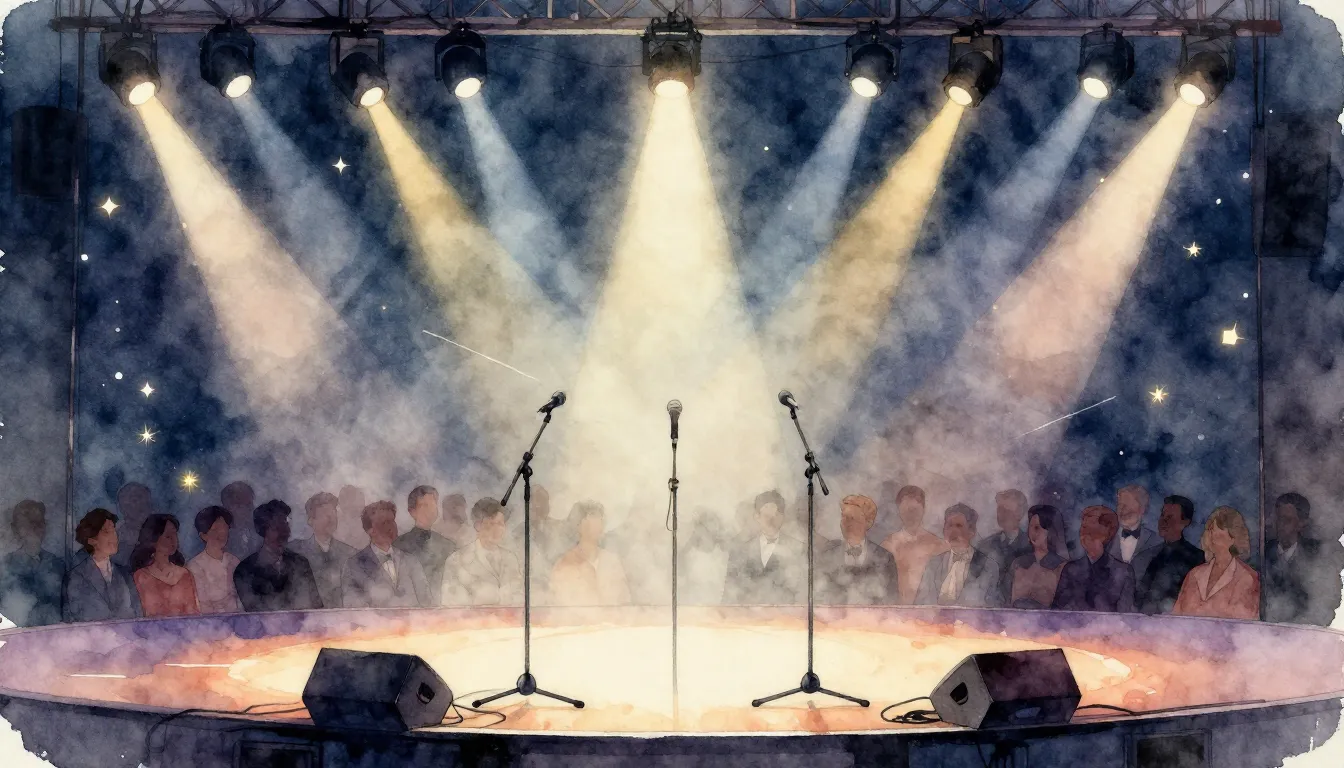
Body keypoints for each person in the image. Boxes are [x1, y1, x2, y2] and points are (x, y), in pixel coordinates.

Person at [1263, 492, 1342, 625]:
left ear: (1302, 523)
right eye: (1277, 518)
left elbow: (1330, 602)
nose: (1279, 525)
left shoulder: (1318, 555)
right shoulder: (1263, 551)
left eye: (1286, 520)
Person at [233, 500, 323, 612]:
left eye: (285, 524)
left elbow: (316, 607)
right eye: (276, 527)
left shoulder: (301, 563)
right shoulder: (244, 570)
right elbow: (253, 613)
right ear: (263, 530)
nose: (284, 532)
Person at [1173, 506, 1260, 620]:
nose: (1212, 537)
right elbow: (1175, 618)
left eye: (1219, 533)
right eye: (1210, 531)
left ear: (1233, 538)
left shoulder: (1247, 577)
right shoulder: (1194, 574)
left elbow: (1243, 624)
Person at [343, 500, 431, 608]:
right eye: (384, 523)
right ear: (370, 530)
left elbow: (427, 601)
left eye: (392, 521)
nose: (391, 527)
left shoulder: (411, 560)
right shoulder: (354, 565)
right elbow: (352, 607)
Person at [723, 490, 804, 605]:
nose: (771, 520)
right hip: (746, 614)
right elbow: (729, 592)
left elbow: (802, 593)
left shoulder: (797, 548)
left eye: (776, 515)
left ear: (783, 517)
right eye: (767, 515)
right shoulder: (740, 550)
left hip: (785, 614)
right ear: (757, 516)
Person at [1052, 506, 1136, 613]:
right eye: (1083, 528)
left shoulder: (1123, 572)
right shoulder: (1070, 569)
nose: (1084, 534)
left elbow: (1125, 616)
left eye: (1091, 530)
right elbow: (1057, 612)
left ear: (1107, 533)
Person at [818, 495, 899, 605]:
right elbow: (820, 597)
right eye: (844, 517)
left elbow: (892, 600)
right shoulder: (828, 555)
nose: (847, 523)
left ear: (868, 523)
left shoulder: (885, 558)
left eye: (853, 518)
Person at [441, 498, 524, 606]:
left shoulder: (510, 558)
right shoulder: (456, 560)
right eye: (491, 523)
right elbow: (451, 602)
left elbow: (520, 596)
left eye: (500, 523)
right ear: (478, 525)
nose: (497, 529)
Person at [547, 501, 631, 606]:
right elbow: (557, 608)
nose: (599, 524)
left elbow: (625, 603)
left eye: (600, 519)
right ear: (579, 526)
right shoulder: (564, 564)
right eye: (592, 517)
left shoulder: (612, 561)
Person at [916, 504, 1001, 607]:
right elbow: (921, 603)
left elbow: (992, 606)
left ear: (972, 531)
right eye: (949, 525)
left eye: (959, 526)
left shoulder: (987, 565)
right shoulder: (934, 563)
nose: (953, 531)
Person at [66, 508, 141, 622]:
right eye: (106, 532)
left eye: (114, 530)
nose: (114, 536)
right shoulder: (77, 575)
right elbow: (77, 616)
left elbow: (138, 613)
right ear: (91, 539)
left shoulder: (124, 574)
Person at [880, 485, 950, 604]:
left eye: (914, 510)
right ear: (899, 510)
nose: (911, 514)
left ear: (923, 509)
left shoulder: (938, 545)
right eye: (907, 510)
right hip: (896, 609)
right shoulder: (888, 546)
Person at [1137, 495, 1205, 615]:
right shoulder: (1150, 555)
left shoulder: (1197, 558)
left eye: (1170, 517)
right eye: (1162, 515)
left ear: (1185, 522)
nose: (1163, 521)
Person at [0, 500, 63, 626]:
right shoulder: (5, 568)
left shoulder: (58, 565)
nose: (35, 528)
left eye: (39, 522)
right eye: (28, 523)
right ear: (15, 529)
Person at [291, 492, 357, 610]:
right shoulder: (296, 552)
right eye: (324, 513)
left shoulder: (350, 553)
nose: (331, 518)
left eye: (333, 512)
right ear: (310, 520)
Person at [395, 486, 458, 606]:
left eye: (433, 505)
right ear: (412, 511)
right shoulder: (398, 546)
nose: (431, 510)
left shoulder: (449, 546)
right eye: (424, 506)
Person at [131, 514, 200, 617]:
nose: (173, 540)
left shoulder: (185, 575)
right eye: (167, 536)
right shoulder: (141, 576)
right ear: (153, 539)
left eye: (175, 534)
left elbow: (194, 614)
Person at [976, 489, 1034, 604]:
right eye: (1000, 510)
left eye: (1007, 511)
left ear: (1020, 514)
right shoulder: (985, 545)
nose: (1002, 515)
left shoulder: (1030, 546)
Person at [1007, 505, 1069, 609]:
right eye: (1030, 527)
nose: (1032, 532)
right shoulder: (1017, 563)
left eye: (1037, 527)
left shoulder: (1062, 567)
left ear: (1051, 531)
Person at [185, 506, 242, 614]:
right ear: (203, 535)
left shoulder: (234, 561)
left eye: (224, 528)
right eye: (215, 529)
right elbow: (202, 606)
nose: (221, 533)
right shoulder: (195, 566)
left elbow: (240, 599)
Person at [1108, 485, 1161, 583]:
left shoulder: (1157, 542)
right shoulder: (1106, 538)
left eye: (1128, 505)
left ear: (1142, 509)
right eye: (1120, 505)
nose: (1122, 510)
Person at [114, 482, 155, 567]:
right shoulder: (116, 536)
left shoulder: (161, 528)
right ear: (123, 508)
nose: (142, 503)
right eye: (135, 500)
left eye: (144, 498)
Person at [220, 481, 258, 559]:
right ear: (230, 506)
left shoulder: (258, 530)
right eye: (247, 505)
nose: (251, 508)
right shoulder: (220, 537)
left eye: (251, 503)